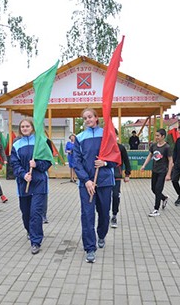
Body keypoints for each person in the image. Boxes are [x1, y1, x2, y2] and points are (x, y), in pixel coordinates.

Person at [74, 108, 117, 263]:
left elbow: (116, 157)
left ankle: (101, 234)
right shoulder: (79, 138)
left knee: (104, 213)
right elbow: (76, 162)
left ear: (96, 118)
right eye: (85, 118)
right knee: (87, 215)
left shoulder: (107, 134)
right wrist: (86, 180)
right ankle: (90, 248)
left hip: (104, 181)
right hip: (86, 184)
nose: (87, 120)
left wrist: (105, 162)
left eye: (90, 117)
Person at [10, 118, 52, 255]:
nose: (25, 128)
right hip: (24, 184)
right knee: (26, 213)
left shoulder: (41, 142)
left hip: (39, 183)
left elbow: (48, 162)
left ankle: (36, 241)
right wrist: (23, 175)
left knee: (35, 213)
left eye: (27, 126)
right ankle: (30, 230)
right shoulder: (16, 145)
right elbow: (14, 164)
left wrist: (37, 165)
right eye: (22, 126)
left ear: (33, 128)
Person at [141, 129, 173, 216]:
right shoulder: (154, 146)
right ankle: (164, 198)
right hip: (155, 170)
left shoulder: (167, 147)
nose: (156, 137)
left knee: (158, 189)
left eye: (158, 136)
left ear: (163, 136)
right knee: (153, 189)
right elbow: (150, 155)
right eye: (156, 135)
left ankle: (156, 209)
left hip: (162, 171)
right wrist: (144, 165)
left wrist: (168, 174)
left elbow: (170, 161)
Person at [111, 128, 131, 228]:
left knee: (115, 196)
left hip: (117, 176)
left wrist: (127, 175)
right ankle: (105, 216)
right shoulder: (103, 147)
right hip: (105, 177)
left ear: (117, 136)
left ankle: (114, 215)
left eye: (114, 134)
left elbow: (127, 161)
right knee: (104, 198)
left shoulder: (121, 148)